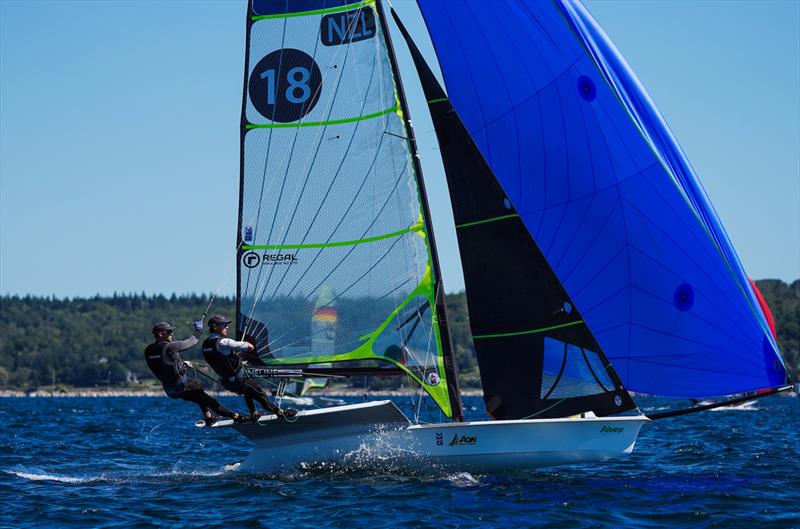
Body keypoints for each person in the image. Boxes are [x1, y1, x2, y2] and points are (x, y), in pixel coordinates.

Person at [144, 320, 244, 425]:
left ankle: (209, 417)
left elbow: (163, 364)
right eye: (169, 332)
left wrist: (181, 365)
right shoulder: (170, 347)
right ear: (160, 334)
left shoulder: (148, 350)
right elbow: (192, 341)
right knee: (204, 393)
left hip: (170, 390)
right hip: (181, 385)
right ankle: (236, 417)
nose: (172, 334)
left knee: (200, 396)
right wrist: (198, 330)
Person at [202, 315, 295, 421]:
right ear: (215, 327)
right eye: (224, 325)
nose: (227, 327)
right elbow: (250, 347)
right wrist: (242, 345)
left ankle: (254, 413)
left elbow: (221, 358)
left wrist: (232, 355)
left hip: (226, 382)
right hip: (238, 380)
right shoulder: (224, 342)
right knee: (260, 394)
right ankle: (280, 413)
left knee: (248, 391)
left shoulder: (205, 345)